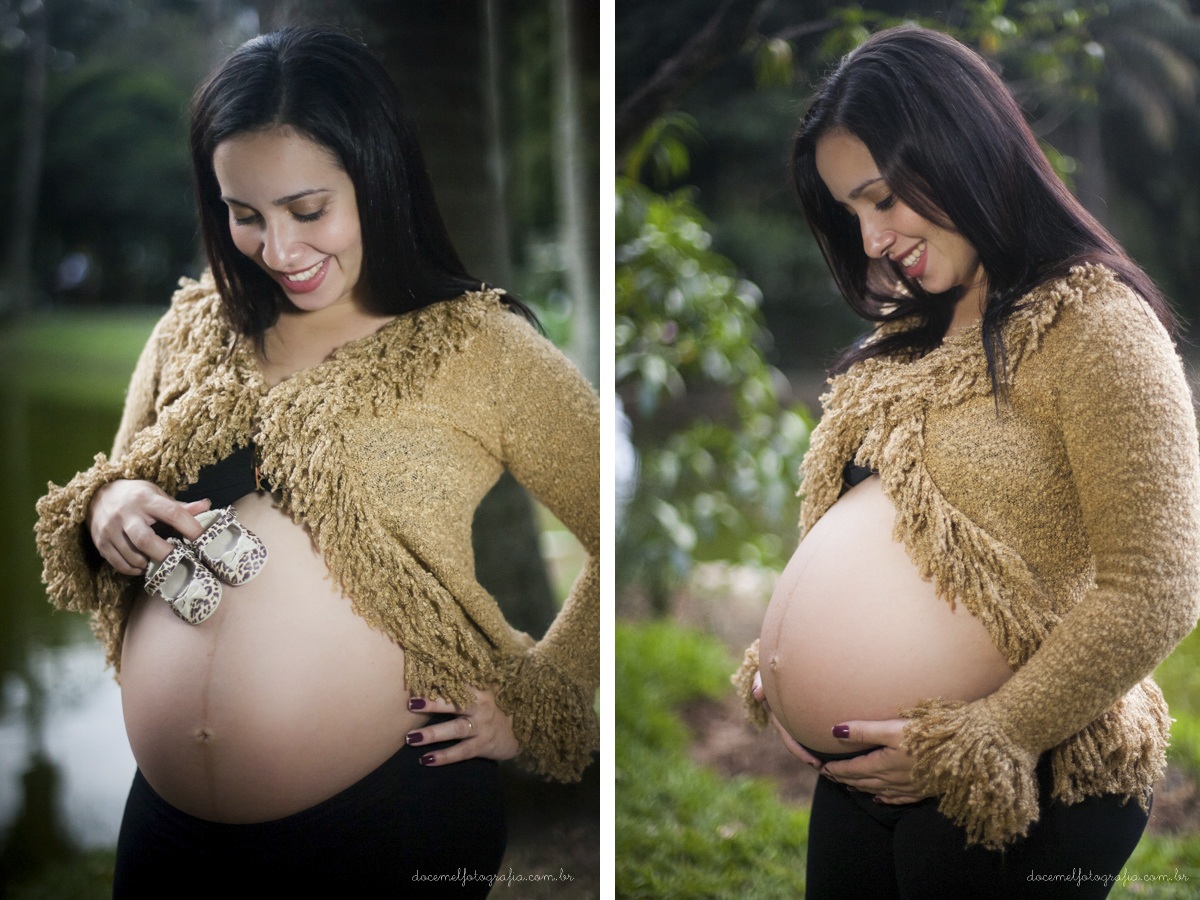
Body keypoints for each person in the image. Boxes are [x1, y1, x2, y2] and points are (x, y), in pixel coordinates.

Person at [33, 27, 598, 899]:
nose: (278, 249)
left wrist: (538, 700)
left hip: (391, 818)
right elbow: (119, 478)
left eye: (307, 211)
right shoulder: (192, 327)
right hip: (169, 830)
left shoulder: (482, 347)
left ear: (378, 175)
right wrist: (109, 504)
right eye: (244, 214)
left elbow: (613, 522)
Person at [732, 25, 1200, 899]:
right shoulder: (905, 335)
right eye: (851, 214)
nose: (872, 239)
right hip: (864, 779)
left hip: (1023, 778)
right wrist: (794, 674)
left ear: (959, 149)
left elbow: (1158, 587)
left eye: (881, 199)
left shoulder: (1096, 326)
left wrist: (991, 735)